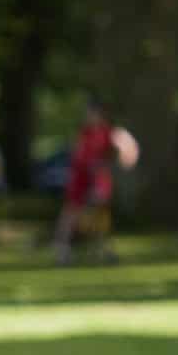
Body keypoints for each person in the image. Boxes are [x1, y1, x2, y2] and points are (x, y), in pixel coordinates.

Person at [53, 100, 140, 265]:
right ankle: (62, 249)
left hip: (98, 177)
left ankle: (103, 248)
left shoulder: (108, 132)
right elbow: (78, 156)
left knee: (100, 211)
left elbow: (127, 145)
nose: (90, 117)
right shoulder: (84, 133)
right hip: (80, 176)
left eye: (92, 113)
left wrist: (125, 158)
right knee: (71, 212)